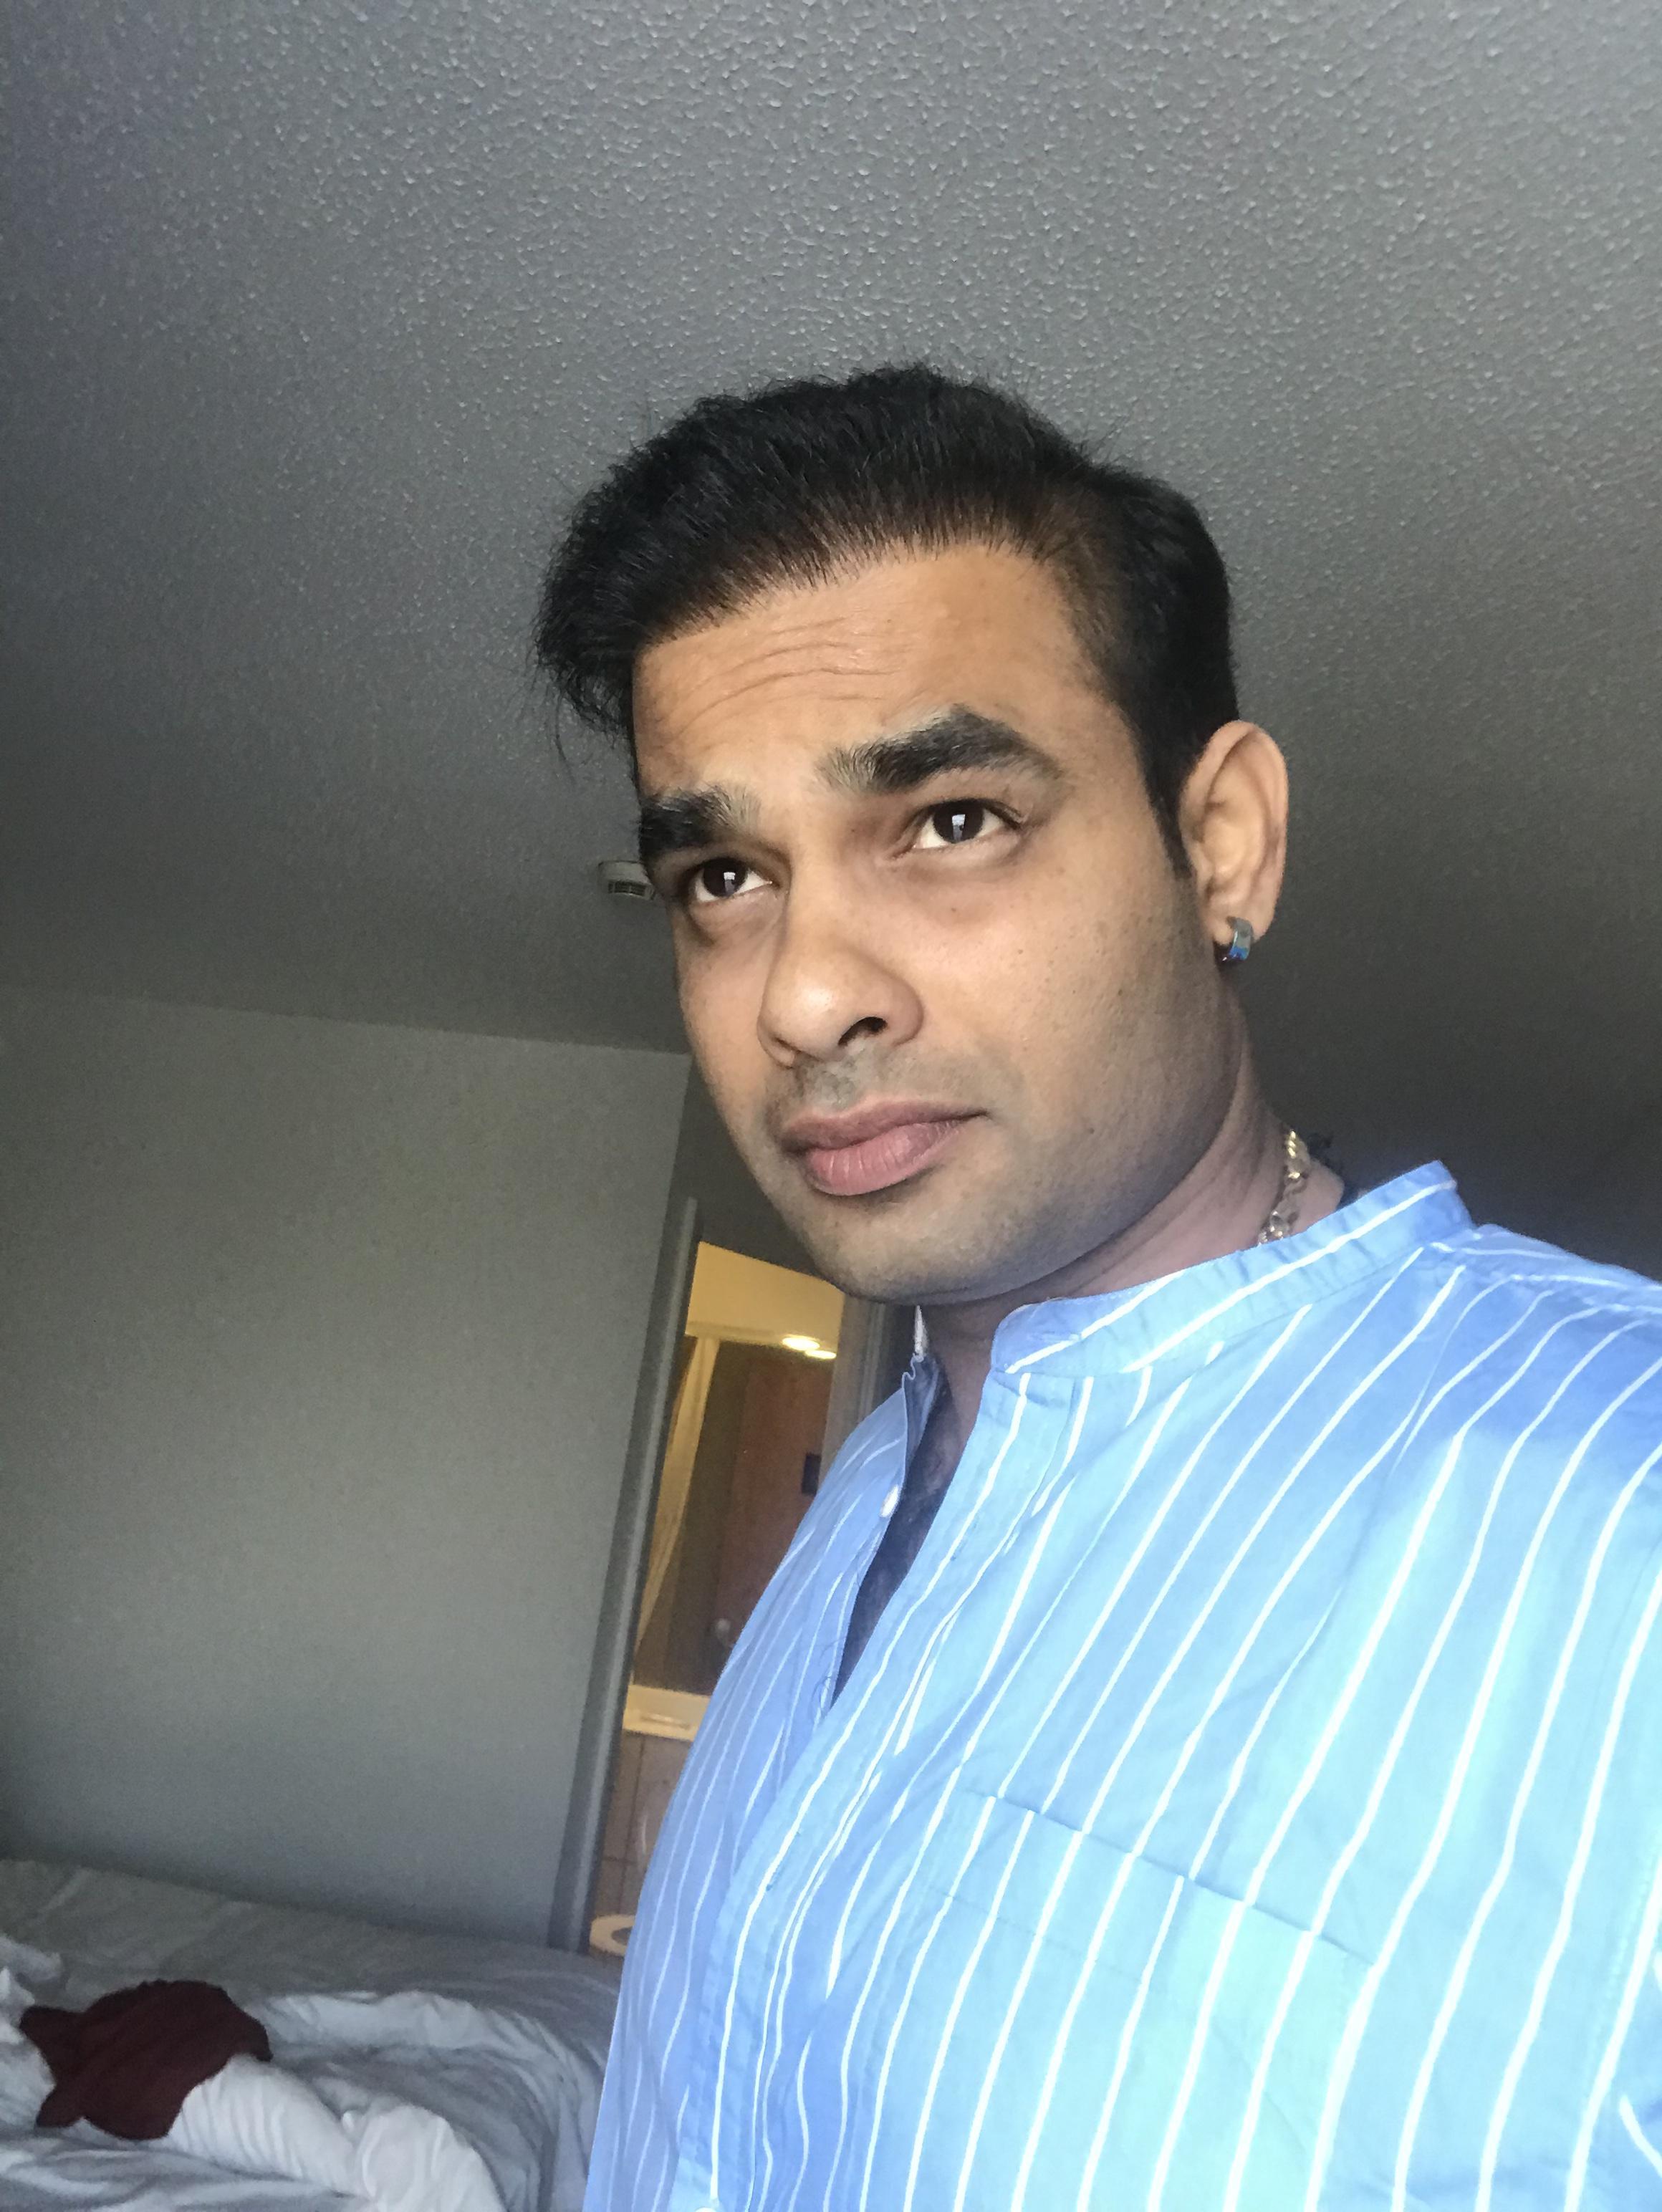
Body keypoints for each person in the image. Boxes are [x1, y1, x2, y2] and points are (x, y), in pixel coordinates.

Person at [536, 365, 1662, 2211]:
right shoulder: (866, 1501)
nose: (803, 995)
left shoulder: (1621, 1512)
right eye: (723, 873)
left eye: (951, 819)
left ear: (1221, 844)